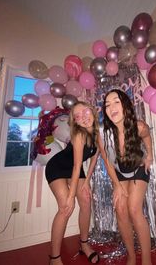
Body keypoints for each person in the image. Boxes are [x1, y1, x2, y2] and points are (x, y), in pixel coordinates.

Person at [99, 89, 153, 265]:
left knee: (134, 209)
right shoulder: (104, 134)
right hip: (119, 173)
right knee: (120, 209)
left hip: (138, 167)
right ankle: (131, 255)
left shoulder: (139, 126)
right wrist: (117, 185)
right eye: (107, 105)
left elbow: (147, 137)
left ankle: (146, 260)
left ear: (126, 106)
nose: (111, 107)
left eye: (116, 102)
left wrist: (150, 155)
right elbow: (107, 163)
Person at [45, 101, 100, 265]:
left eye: (85, 111)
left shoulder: (97, 135)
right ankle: (54, 258)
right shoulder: (79, 134)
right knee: (66, 207)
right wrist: (70, 195)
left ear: (92, 111)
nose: (83, 116)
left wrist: (87, 181)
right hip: (58, 167)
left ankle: (84, 244)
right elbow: (77, 165)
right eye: (78, 115)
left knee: (86, 201)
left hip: (75, 169)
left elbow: (94, 157)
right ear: (75, 122)